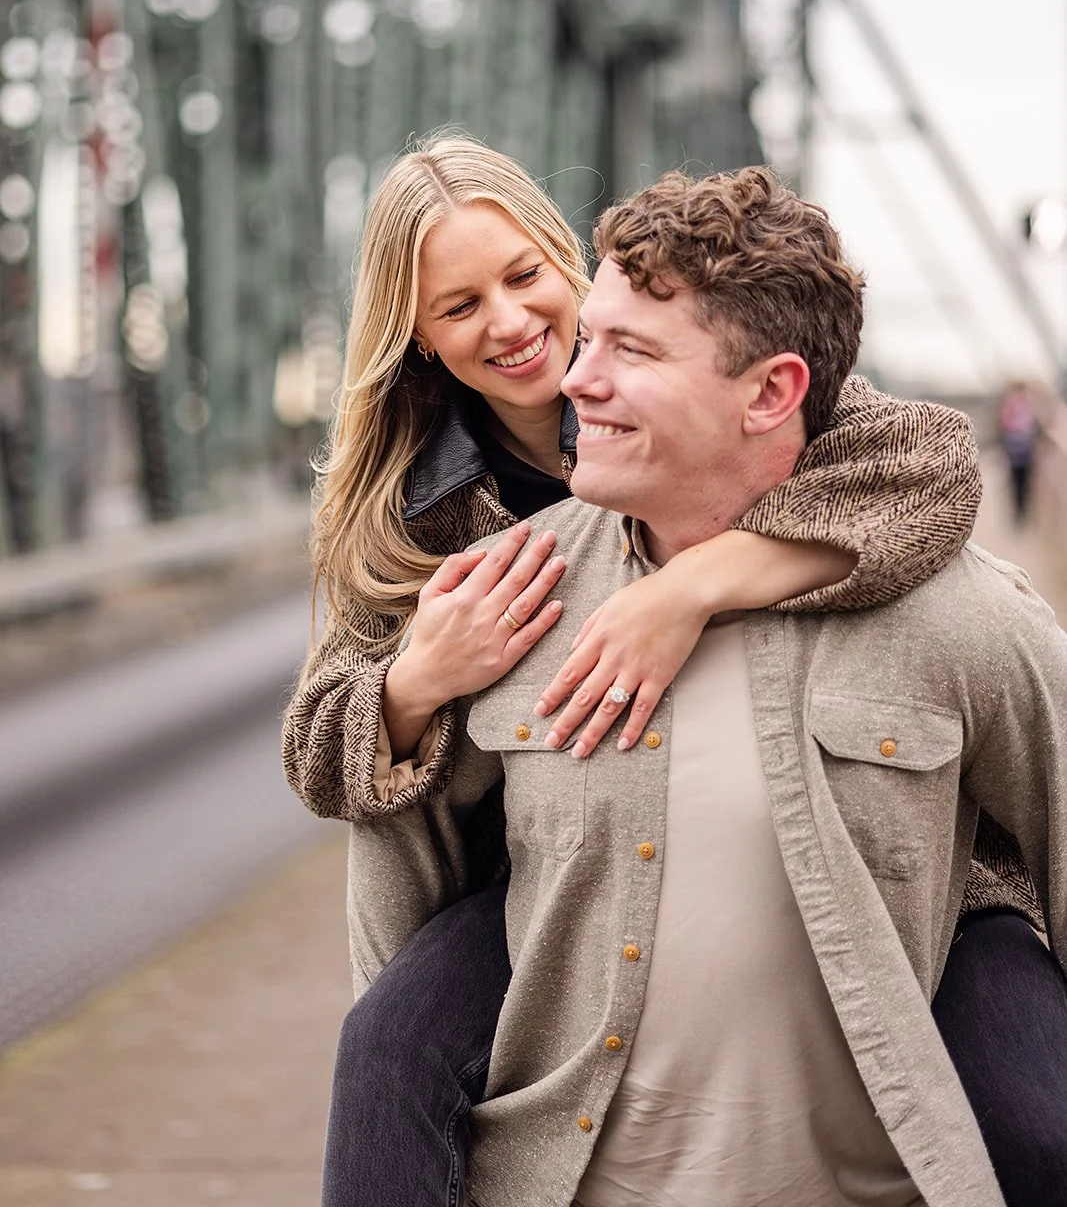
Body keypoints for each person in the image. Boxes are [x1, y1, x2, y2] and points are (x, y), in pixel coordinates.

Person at [282, 137, 1049, 1206]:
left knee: (1032, 1114)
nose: (508, 322)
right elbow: (325, 758)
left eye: (521, 276)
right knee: (387, 1049)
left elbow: (927, 466)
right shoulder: (405, 515)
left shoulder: (707, 375)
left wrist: (683, 586)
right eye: (458, 307)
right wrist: (417, 677)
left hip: (882, 852)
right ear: (415, 334)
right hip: (546, 865)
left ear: (565, 264)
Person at [998, 382, 1040, 525]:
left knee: (1022, 481)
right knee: (1020, 481)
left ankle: (1021, 512)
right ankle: (1020, 513)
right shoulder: (1017, 407)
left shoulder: (1022, 407)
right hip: (1018, 450)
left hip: (1021, 450)